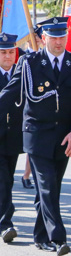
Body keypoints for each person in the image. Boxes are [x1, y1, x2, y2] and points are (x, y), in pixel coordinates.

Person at [0, 17, 71, 256]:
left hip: (65, 137)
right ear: (43, 38)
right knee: (48, 185)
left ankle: (41, 236)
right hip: (37, 134)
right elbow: (10, 93)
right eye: (54, 37)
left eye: (63, 36)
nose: (59, 41)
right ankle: (58, 237)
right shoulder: (29, 63)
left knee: (50, 188)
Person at [0, 33, 23, 243]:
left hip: (14, 136)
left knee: (8, 178)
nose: (8, 56)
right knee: (3, 181)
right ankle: (6, 224)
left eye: (10, 52)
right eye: (3, 52)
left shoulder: (22, 72)